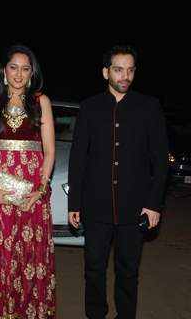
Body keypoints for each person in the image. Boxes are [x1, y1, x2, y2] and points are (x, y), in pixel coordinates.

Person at [68, 45, 168, 319]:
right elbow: (78, 159)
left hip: (135, 207)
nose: (125, 76)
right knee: (94, 269)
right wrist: (74, 202)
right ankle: (96, 314)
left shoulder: (149, 107)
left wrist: (153, 204)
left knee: (128, 271)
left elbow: (160, 160)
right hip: (95, 205)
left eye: (130, 70)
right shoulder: (89, 107)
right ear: (105, 72)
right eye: (118, 69)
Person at [0, 45, 56, 318]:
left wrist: (41, 190)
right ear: (5, 71)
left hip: (31, 189)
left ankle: (26, 310)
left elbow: (49, 150)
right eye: (13, 67)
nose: (19, 74)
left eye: (25, 68)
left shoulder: (41, 102)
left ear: (32, 73)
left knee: (29, 253)